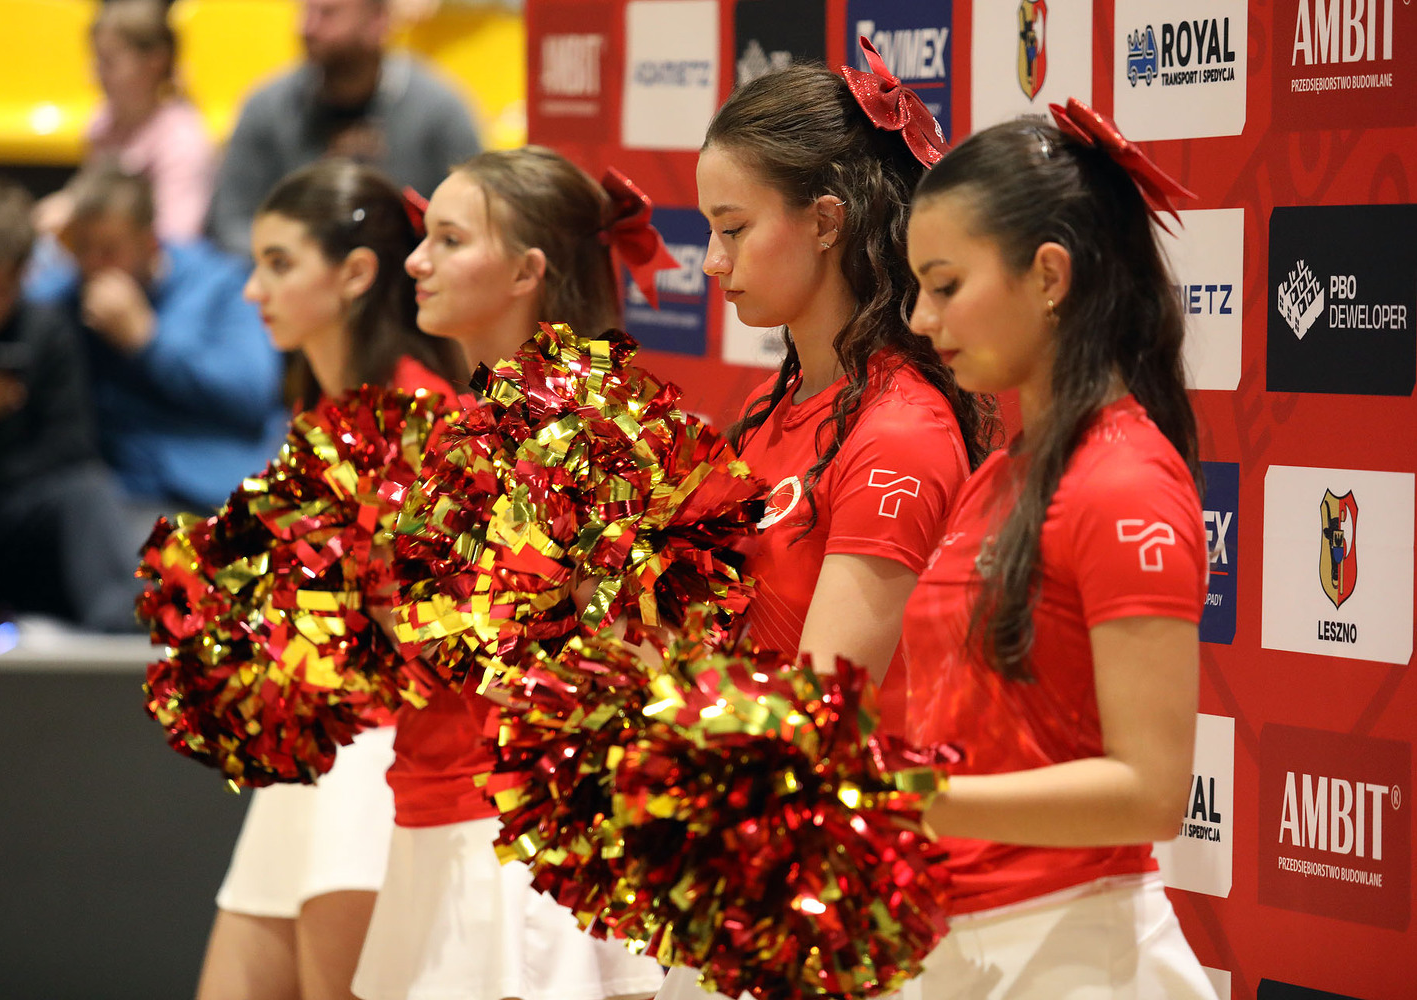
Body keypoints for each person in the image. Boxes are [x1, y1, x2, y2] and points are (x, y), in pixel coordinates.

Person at [602, 46, 994, 1000]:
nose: (715, 262)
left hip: (829, 899)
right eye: (710, 230)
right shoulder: (765, 410)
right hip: (740, 861)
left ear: (825, 222)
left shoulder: (901, 431)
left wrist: (650, 707)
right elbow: (704, 650)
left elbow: (820, 712)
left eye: (734, 229)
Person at [896, 104, 1218, 998]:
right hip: (966, 945)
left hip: (1078, 956)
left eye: (945, 284)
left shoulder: (1125, 482)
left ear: (1048, 275)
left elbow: (1152, 792)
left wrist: (909, 800)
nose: (920, 317)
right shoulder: (1002, 473)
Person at [348, 144, 667, 1000]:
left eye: (450, 240)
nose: (415, 262)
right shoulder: (460, 422)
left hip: (520, 834)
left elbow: (608, 656)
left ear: (528, 272)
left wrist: (384, 605)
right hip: (438, 808)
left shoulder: (586, 429)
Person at [194, 158, 464, 1000]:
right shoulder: (317, 409)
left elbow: (442, 629)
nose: (253, 289)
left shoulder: (423, 417)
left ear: (354, 274)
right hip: (315, 751)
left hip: (379, 759)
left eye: (279, 263)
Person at [0, 177, 141, 633]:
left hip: (14, 526)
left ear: (23, 279)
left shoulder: (46, 330)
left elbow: (72, 448)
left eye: (1, 289)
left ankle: (124, 635)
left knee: (87, 489)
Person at [28, 164, 287, 540]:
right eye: (83, 249)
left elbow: (251, 394)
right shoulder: (65, 298)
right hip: (125, 497)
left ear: (149, 242)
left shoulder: (220, 285)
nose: (94, 265)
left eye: (109, 250)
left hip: (221, 492)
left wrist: (147, 341)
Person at [208, 0, 482, 258]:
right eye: (306, 11)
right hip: (292, 279)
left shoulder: (440, 111)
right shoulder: (266, 106)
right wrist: (297, 261)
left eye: (328, 13)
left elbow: (472, 222)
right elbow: (232, 221)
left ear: (377, 22)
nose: (306, 28)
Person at [36, 0, 215, 243]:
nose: (93, 75)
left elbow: (177, 239)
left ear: (155, 61)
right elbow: (88, 199)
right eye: (96, 59)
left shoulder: (183, 141)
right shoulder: (102, 122)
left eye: (108, 61)